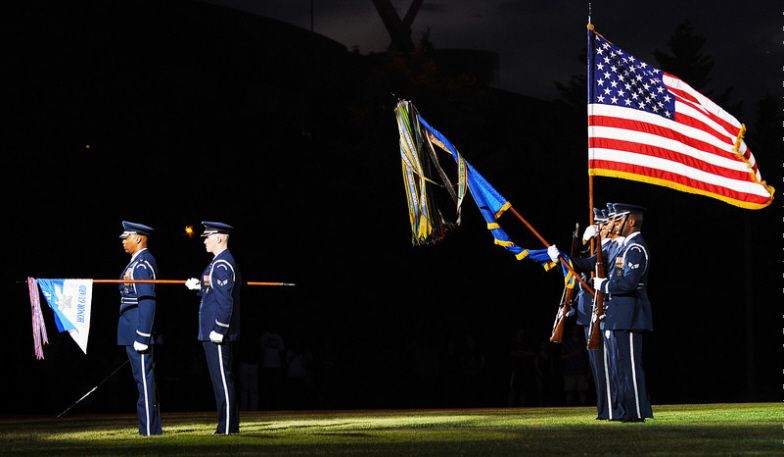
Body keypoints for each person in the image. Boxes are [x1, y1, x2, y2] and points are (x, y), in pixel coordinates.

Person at [551, 204, 653, 422]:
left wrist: (603, 285)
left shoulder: (635, 249)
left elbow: (629, 282)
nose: (612, 224)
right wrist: (560, 256)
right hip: (616, 314)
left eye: (617, 220)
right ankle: (622, 411)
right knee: (617, 366)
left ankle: (634, 411)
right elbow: (586, 263)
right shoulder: (619, 249)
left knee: (629, 367)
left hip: (630, 315)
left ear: (631, 222)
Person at [185, 221, 241, 434]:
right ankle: (226, 424)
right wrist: (199, 287)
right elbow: (214, 293)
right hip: (210, 331)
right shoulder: (215, 264)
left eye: (207, 236)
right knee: (219, 380)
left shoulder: (223, 264)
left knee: (223, 381)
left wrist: (220, 328)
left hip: (217, 331)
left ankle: (227, 426)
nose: (204, 240)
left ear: (219, 238)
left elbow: (226, 300)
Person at [118, 220, 162, 436]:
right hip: (130, 330)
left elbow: (148, 300)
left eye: (126, 238)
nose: (123, 242)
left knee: (144, 381)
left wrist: (143, 336)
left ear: (138, 238)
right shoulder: (134, 263)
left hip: (138, 332)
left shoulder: (143, 264)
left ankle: (150, 430)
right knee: (140, 380)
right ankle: (147, 428)